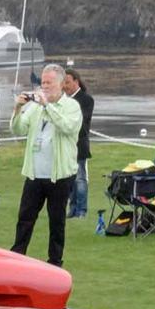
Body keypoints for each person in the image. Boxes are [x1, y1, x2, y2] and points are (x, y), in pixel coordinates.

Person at [9, 64, 82, 268]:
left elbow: (67, 127)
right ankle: (17, 257)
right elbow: (18, 129)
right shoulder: (35, 107)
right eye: (43, 82)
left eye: (49, 82)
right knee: (25, 218)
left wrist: (46, 106)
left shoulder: (72, 106)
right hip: (34, 174)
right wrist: (18, 107)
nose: (45, 86)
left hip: (59, 175)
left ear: (60, 84)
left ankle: (55, 262)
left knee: (56, 221)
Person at [63, 68, 94, 218]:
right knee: (69, 180)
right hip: (65, 145)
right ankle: (73, 208)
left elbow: (82, 123)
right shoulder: (63, 99)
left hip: (79, 145)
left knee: (80, 179)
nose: (65, 86)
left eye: (67, 82)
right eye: (63, 83)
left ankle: (82, 210)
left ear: (76, 81)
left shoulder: (86, 99)